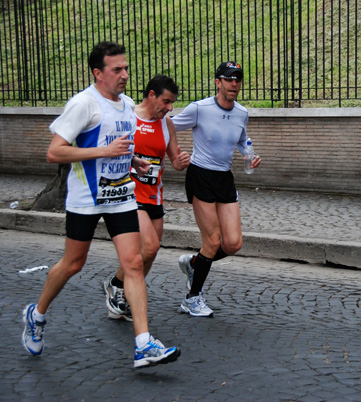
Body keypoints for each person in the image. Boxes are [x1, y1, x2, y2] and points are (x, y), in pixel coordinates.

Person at [21, 42, 180, 368]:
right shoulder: (83, 104)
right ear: (98, 73)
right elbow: (55, 152)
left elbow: (116, 145)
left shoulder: (126, 105)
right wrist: (103, 153)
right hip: (87, 199)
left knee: (134, 263)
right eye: (117, 70)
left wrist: (133, 161)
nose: (124, 74)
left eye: (125, 68)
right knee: (73, 264)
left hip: (121, 195)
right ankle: (36, 315)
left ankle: (143, 343)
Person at [172, 61, 261, 317]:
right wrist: (174, 155)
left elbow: (243, 142)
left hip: (224, 178)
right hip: (200, 175)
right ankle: (192, 298)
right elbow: (168, 126)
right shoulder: (199, 108)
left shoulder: (242, 112)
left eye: (238, 79)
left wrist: (250, 155)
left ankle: (194, 263)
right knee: (211, 241)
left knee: (233, 243)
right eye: (229, 78)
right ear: (218, 82)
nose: (234, 83)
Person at [102, 74, 190, 321]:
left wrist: (181, 162)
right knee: (149, 246)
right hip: (129, 193)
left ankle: (123, 294)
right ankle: (117, 287)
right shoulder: (128, 116)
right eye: (166, 101)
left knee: (150, 253)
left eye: (172, 103)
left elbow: (174, 160)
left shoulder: (167, 125)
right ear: (152, 95)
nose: (169, 108)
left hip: (154, 196)